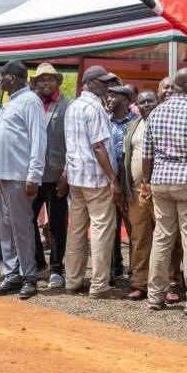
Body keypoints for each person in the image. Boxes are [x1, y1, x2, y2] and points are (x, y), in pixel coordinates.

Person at [143, 68, 187, 313]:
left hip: (161, 182)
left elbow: (147, 154)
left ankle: (155, 296)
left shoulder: (156, 112)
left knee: (162, 239)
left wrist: (146, 182)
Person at [0, 60, 47, 299]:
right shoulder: (9, 101)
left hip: (20, 176)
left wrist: (34, 175)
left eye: (2, 77)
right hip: (2, 176)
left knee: (21, 228)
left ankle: (29, 277)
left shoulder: (30, 101)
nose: (0, 81)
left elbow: (38, 140)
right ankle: (11, 275)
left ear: (12, 78)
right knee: (6, 228)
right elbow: (0, 141)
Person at [61, 65, 123, 298]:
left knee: (76, 230)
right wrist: (112, 179)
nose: (107, 85)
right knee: (101, 230)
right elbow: (98, 146)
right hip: (96, 179)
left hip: (77, 178)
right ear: (88, 83)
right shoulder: (93, 108)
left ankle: (72, 280)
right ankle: (99, 285)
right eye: (102, 81)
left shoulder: (73, 106)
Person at [30, 63, 71, 288]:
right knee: (27, 219)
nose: (46, 82)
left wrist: (66, 173)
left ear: (57, 81)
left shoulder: (67, 105)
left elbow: (72, 144)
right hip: (33, 175)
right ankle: (38, 262)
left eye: (50, 79)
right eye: (41, 79)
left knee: (56, 224)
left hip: (57, 176)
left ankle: (56, 268)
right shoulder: (31, 104)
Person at [121, 89, 158, 300]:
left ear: (158, 101)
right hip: (137, 192)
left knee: (166, 238)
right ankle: (139, 283)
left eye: (150, 100)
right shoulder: (133, 125)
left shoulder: (165, 121)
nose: (146, 104)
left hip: (161, 190)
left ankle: (171, 283)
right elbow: (125, 158)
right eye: (142, 101)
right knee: (139, 237)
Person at [107, 84, 139, 282]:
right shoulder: (104, 121)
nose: (109, 99)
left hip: (128, 178)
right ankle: (112, 267)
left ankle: (136, 271)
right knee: (110, 225)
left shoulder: (136, 122)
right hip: (109, 177)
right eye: (108, 96)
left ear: (126, 101)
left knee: (133, 226)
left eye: (114, 96)